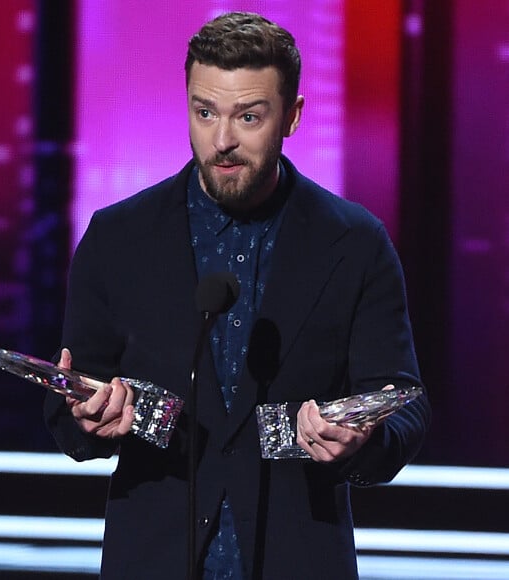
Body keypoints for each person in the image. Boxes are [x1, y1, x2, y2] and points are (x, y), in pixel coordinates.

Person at [44, 11, 430, 580]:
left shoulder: (355, 243)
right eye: (205, 113)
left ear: (292, 117)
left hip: (298, 558)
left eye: (248, 116)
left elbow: (404, 404)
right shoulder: (117, 237)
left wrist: (360, 443)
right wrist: (87, 417)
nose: (222, 141)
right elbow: (70, 404)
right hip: (153, 558)